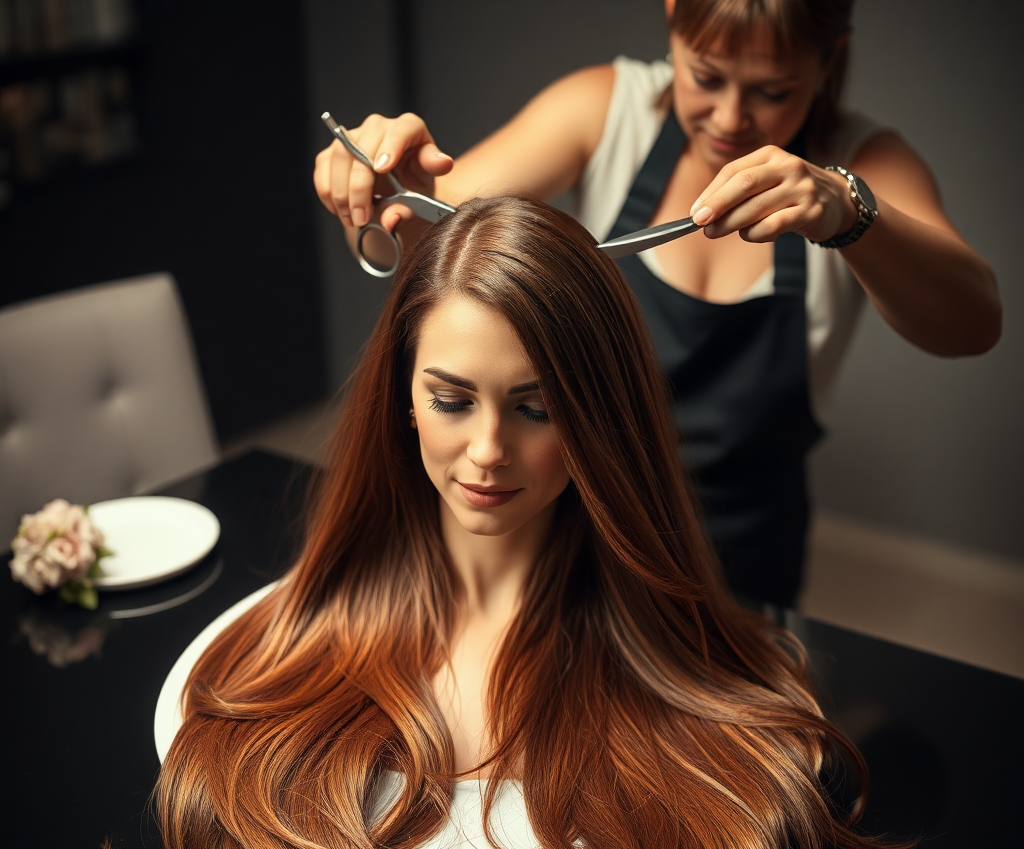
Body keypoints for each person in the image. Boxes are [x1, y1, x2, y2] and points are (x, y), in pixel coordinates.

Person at [107, 195, 907, 849]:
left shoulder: (671, 666)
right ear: (403, 398)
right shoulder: (298, 636)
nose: (488, 452)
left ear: (601, 418)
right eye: (452, 401)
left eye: (536, 408)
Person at [313, 0, 1001, 608]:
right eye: (706, 77)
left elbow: (974, 325)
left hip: (741, 559)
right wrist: (379, 193)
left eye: (772, 90)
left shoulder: (864, 162)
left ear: (831, 60)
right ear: (673, 17)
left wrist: (851, 214)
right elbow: (425, 240)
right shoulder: (605, 110)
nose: (732, 118)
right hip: (585, 537)